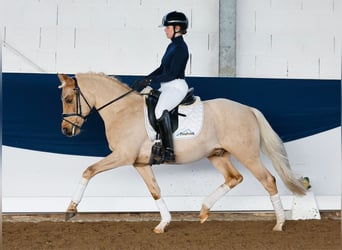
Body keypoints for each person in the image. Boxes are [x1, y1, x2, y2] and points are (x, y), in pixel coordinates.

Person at [133, 11, 190, 163]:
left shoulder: (181, 48)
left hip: (176, 86)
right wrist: (146, 79)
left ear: (177, 28)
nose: (165, 29)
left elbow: (172, 74)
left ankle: (169, 151)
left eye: (167, 27)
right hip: (167, 86)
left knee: (159, 111)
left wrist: (151, 80)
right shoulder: (172, 46)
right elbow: (162, 68)